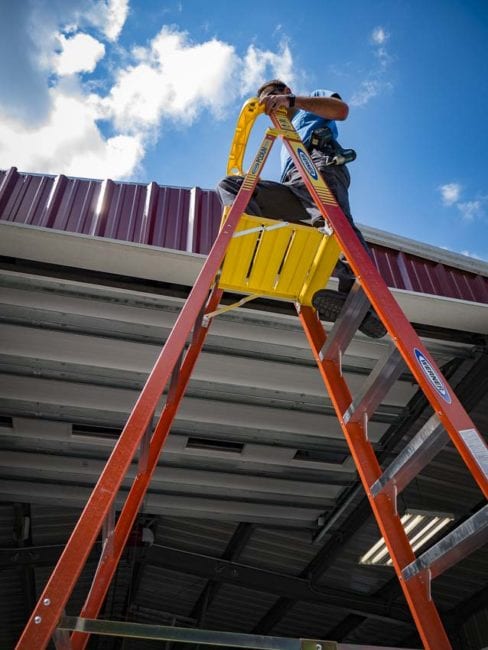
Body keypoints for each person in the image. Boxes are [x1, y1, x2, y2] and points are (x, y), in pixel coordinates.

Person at [217, 79, 386, 338]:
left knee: (333, 228)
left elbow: (341, 111)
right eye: (265, 105)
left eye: (273, 97)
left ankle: (364, 301)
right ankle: (252, 244)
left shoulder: (310, 104)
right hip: (293, 181)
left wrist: (293, 102)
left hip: (318, 165)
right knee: (232, 186)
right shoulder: (285, 131)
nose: (270, 106)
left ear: (285, 92)